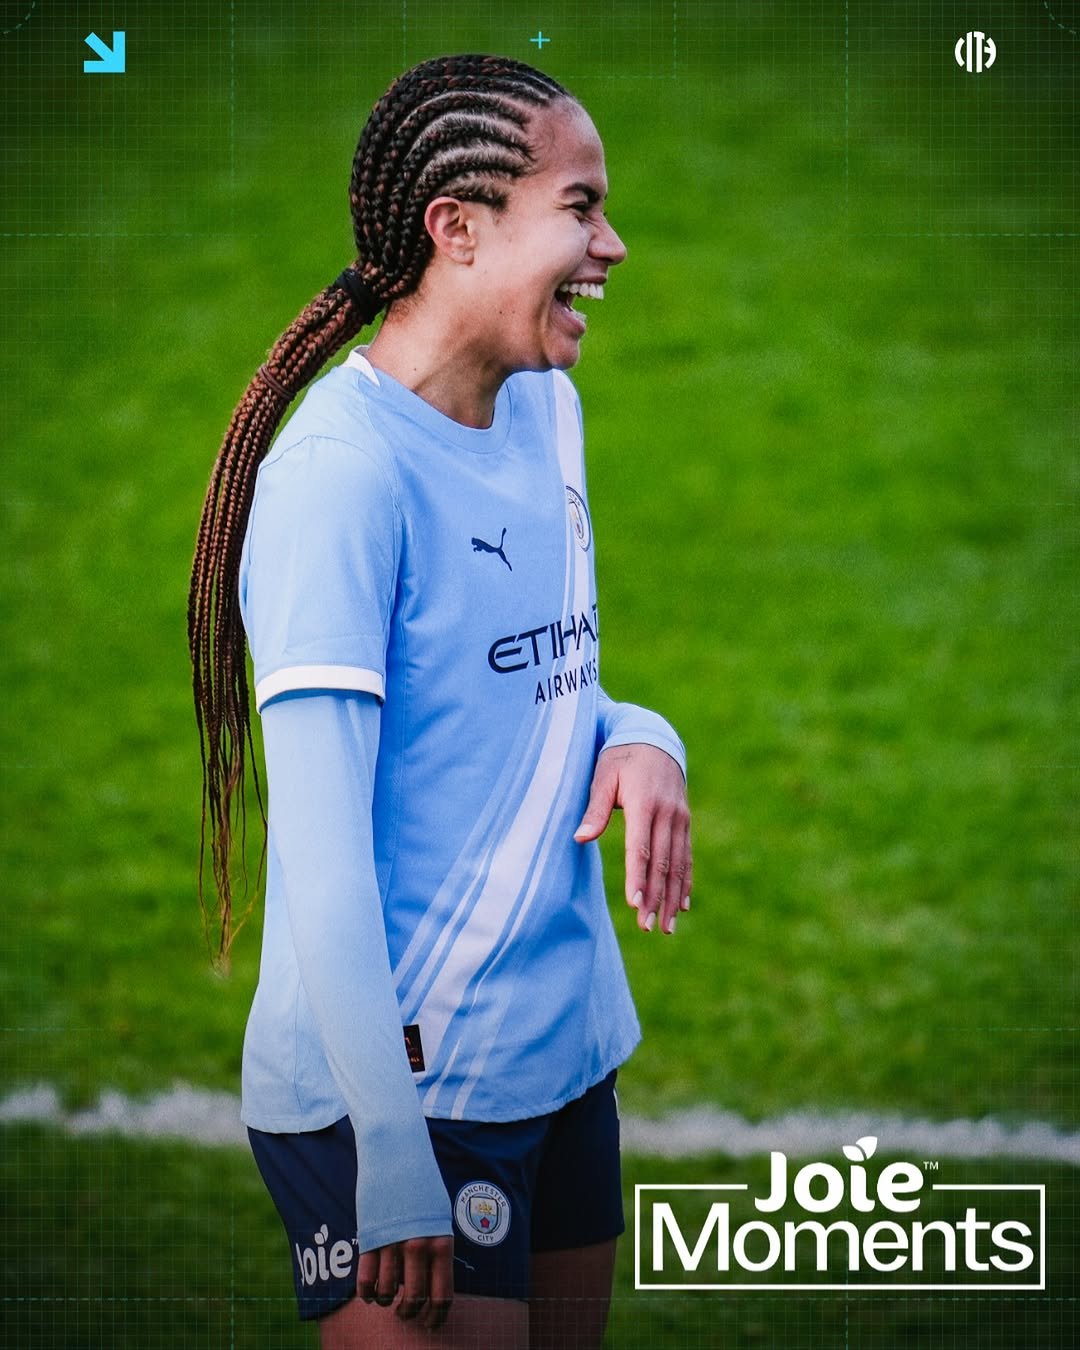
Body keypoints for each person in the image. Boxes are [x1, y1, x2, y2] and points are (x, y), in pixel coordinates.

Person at [188, 53, 691, 1350]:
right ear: (456, 230)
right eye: (581, 207)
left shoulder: (547, 410)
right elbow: (325, 853)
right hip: (400, 1083)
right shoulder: (341, 484)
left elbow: (533, 688)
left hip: (557, 1043)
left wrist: (643, 738)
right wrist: (392, 1152)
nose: (613, 245)